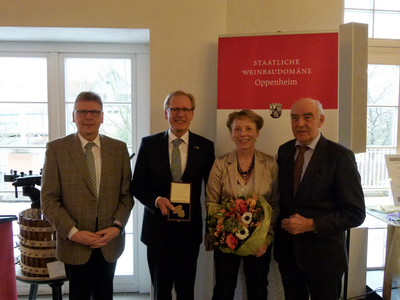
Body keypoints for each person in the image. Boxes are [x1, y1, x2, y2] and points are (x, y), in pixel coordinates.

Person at [41, 91, 134, 300]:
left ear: (102, 116)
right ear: (74, 116)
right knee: (79, 295)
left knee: (104, 294)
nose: (88, 117)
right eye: (82, 111)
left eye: (94, 112)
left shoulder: (118, 149)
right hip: (74, 243)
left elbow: (126, 195)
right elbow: (49, 200)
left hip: (108, 242)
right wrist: (73, 232)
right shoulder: (57, 149)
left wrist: (116, 228)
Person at [274, 98, 366, 300]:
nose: (300, 123)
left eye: (308, 117)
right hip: (289, 255)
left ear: (321, 120)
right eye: (295, 118)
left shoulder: (340, 156)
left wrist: (311, 224)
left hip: (325, 259)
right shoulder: (285, 151)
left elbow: (355, 213)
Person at [131, 90, 215, 300]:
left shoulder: (205, 147)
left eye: (185, 109)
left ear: (192, 114)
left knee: (186, 291)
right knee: (161, 291)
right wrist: (156, 201)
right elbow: (137, 185)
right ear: (165, 113)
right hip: (157, 231)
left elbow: (211, 192)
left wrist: (211, 227)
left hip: (189, 232)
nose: (180, 114)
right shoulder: (149, 145)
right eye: (175, 109)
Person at [205, 109, 279, 300]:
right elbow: (212, 202)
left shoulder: (270, 164)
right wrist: (218, 233)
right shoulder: (220, 164)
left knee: (258, 287)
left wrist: (267, 237)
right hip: (226, 238)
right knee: (223, 287)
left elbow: (276, 203)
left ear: (257, 133)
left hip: (259, 239)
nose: (243, 134)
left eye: (248, 129)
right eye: (237, 129)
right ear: (231, 134)